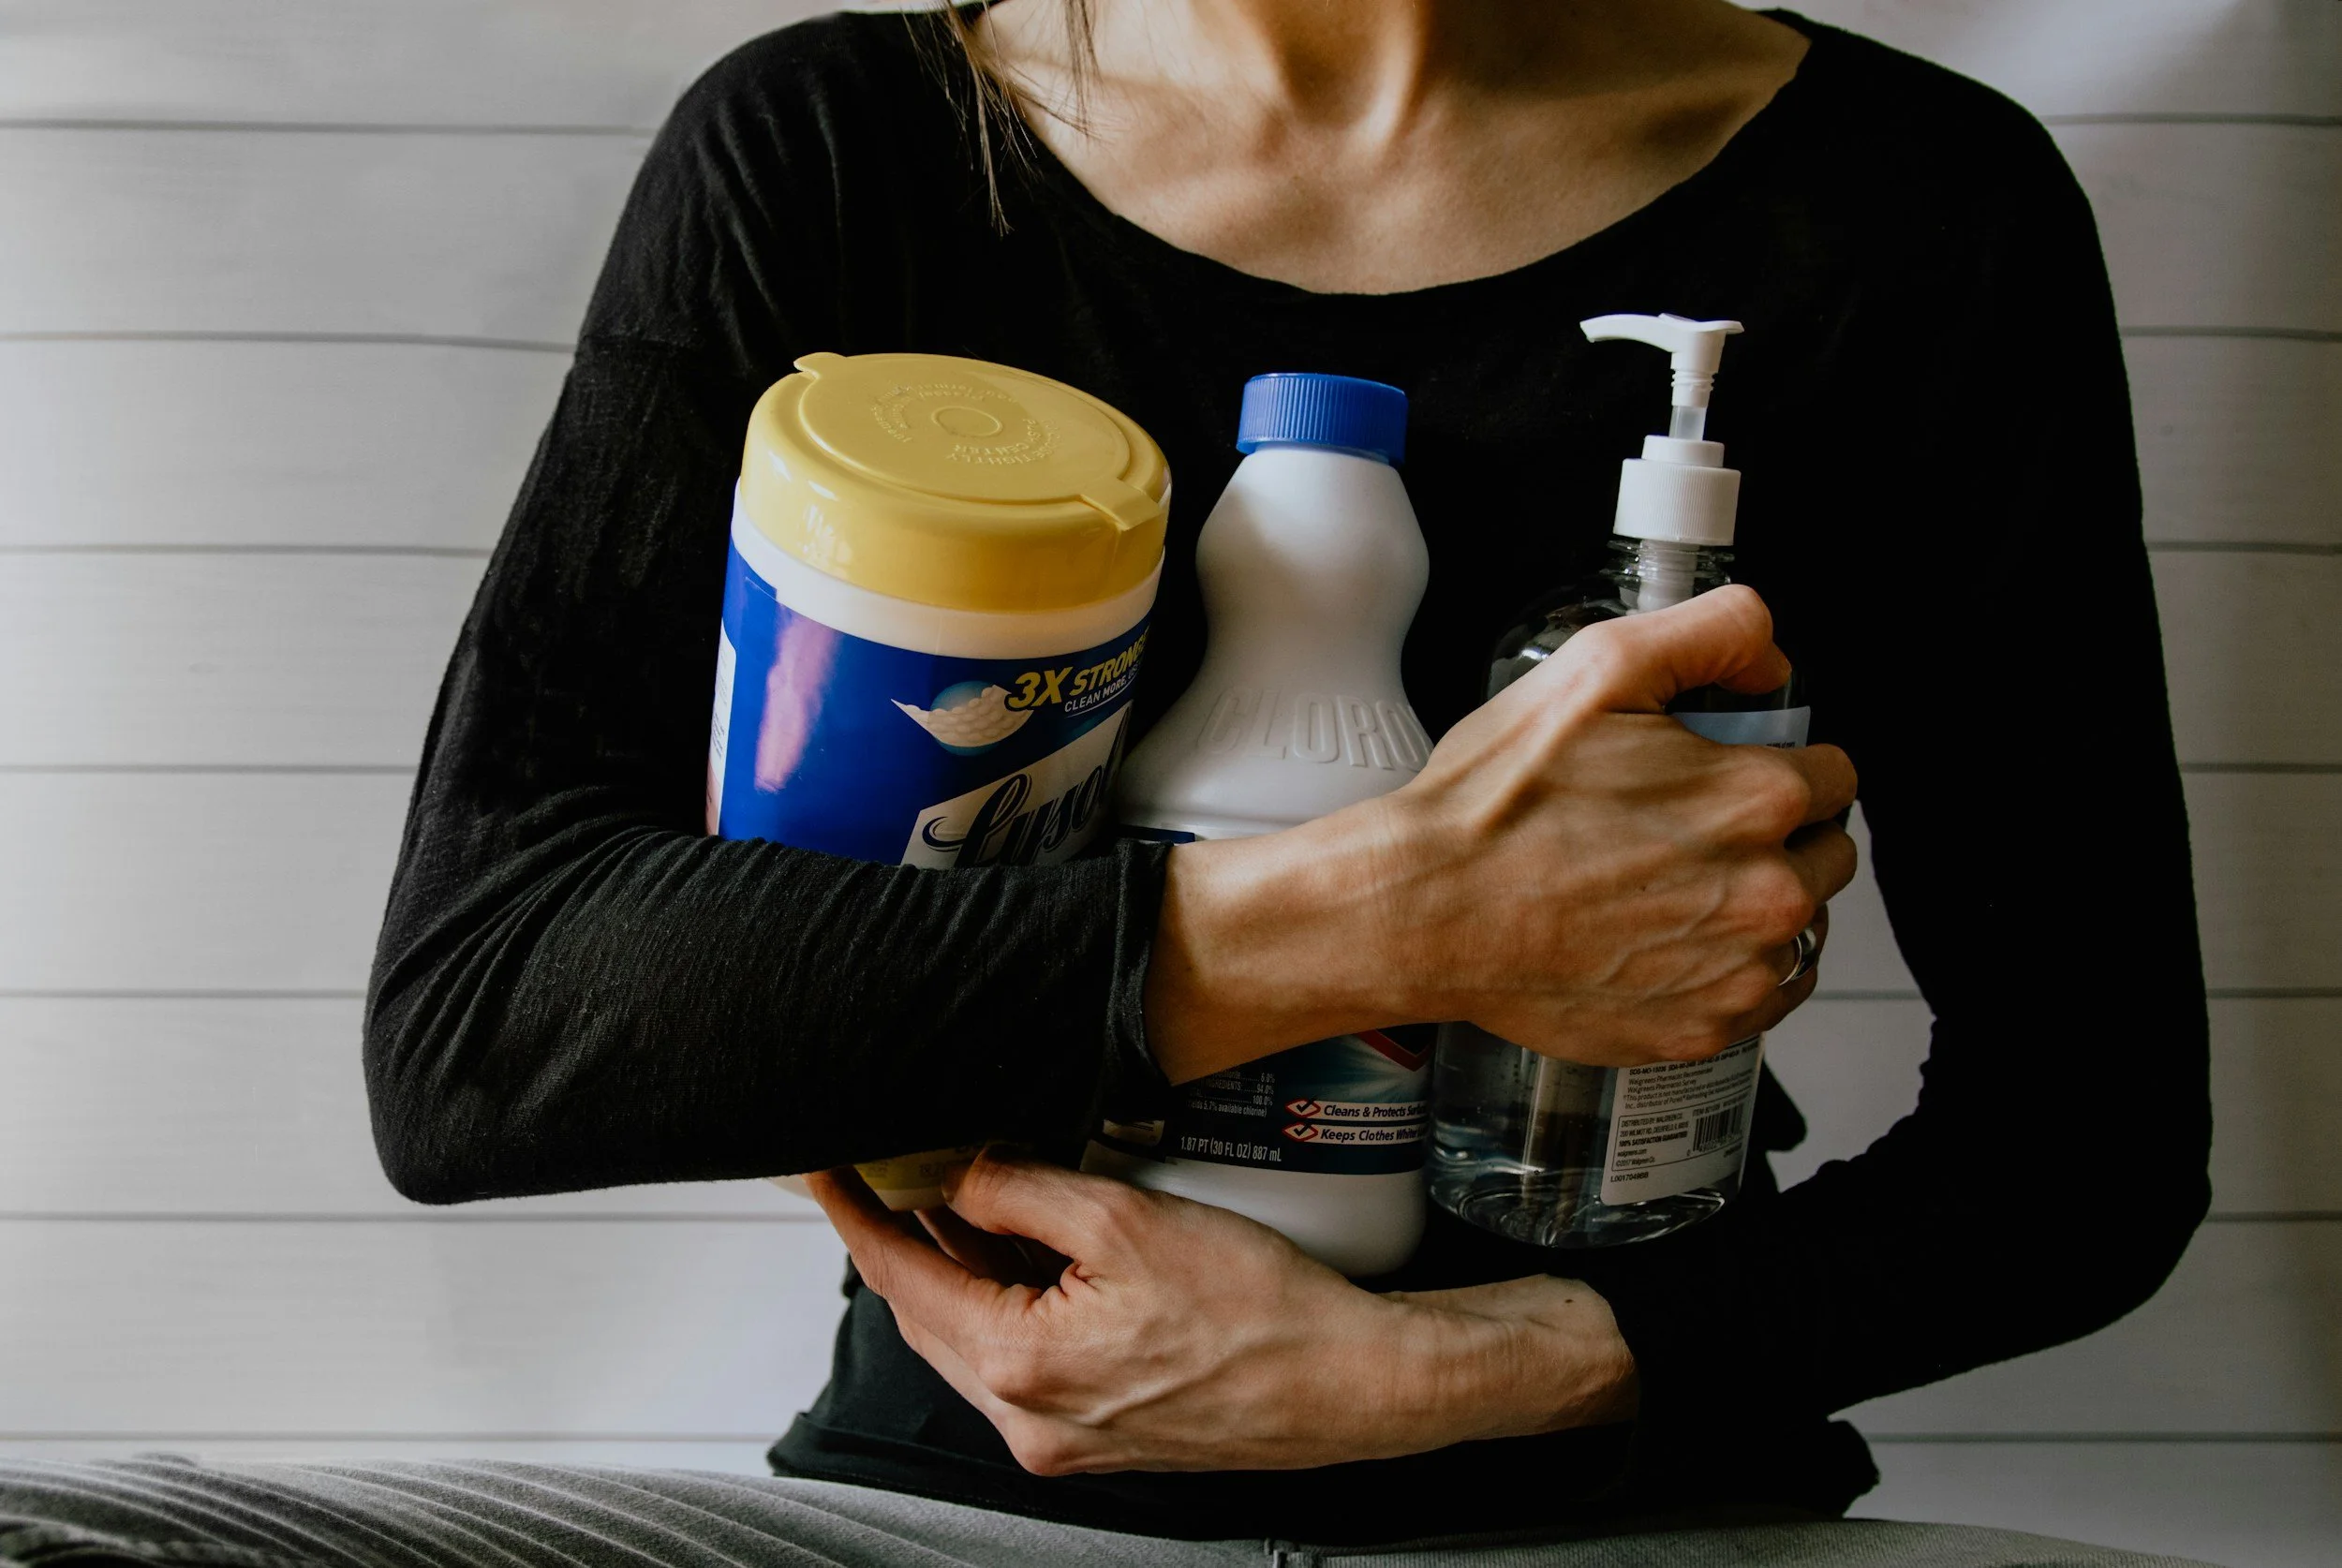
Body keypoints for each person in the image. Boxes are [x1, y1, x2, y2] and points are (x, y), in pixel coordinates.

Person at [0, 2, 2210, 1563]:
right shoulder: (845, 147)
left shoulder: (1914, 209)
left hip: (1638, 1501)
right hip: (966, 1504)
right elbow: (489, 1032)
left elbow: (2084, 1149)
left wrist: (1450, 1375)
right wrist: (1382, 918)